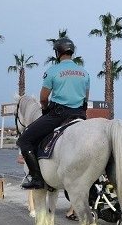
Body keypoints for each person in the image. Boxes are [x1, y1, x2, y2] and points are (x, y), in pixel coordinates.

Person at [17, 37, 90, 189]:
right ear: (71, 52)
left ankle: (37, 178)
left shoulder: (53, 71)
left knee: (24, 140)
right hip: (79, 115)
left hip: (58, 115)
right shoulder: (84, 73)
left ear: (58, 52)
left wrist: (45, 109)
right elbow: (86, 98)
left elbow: (43, 98)